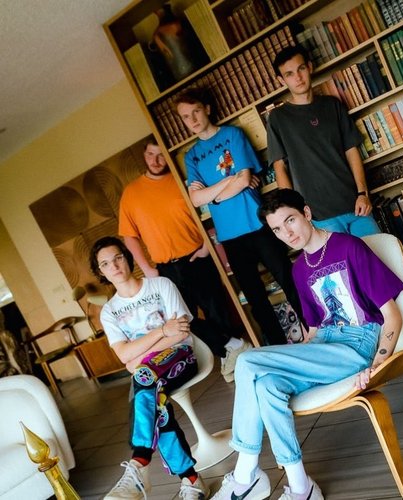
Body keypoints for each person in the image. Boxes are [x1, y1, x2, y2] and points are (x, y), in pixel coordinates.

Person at [211, 189, 403, 500]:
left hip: (356, 346)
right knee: (267, 386)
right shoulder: (299, 269)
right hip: (323, 347)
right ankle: (302, 488)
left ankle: (245, 474)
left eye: (290, 220)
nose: (286, 233)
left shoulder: (349, 247)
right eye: (277, 229)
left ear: (307, 213)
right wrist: (296, 358)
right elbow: (313, 331)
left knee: (247, 361)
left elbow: (392, 315)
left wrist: (376, 364)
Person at [176, 88, 303, 346]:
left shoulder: (232, 135)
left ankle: (315, 331)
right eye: (186, 117)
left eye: (196, 111)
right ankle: (279, 349)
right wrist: (229, 181)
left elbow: (245, 179)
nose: (193, 120)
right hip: (229, 237)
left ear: (207, 109)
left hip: (257, 224)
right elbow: (196, 199)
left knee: (289, 281)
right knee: (256, 299)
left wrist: (214, 194)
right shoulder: (192, 156)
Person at [119, 138, 251, 382]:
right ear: (144, 155)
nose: (156, 160)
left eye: (160, 154)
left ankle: (231, 359)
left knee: (217, 310)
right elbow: (129, 237)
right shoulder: (131, 193)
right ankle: (233, 346)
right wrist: (147, 269)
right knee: (182, 321)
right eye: (150, 154)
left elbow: (209, 208)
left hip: (197, 257)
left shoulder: (184, 182)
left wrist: (206, 246)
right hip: (164, 269)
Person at [89, 236, 209, 500]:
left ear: (127, 257)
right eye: (105, 264)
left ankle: (140, 463)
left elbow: (181, 333)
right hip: (150, 375)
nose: (114, 266)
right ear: (100, 271)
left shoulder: (160, 285)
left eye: (118, 258)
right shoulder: (109, 311)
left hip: (181, 357)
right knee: (157, 403)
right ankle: (191, 480)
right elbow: (123, 354)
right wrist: (162, 330)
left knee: (142, 376)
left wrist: (137, 354)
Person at [266, 45, 380, 237]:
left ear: (310, 67)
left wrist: (362, 193)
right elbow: (280, 168)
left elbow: (351, 150)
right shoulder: (278, 118)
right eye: (289, 74)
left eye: (301, 68)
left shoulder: (332, 105)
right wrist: (295, 213)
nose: (298, 77)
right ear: (281, 80)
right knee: (340, 259)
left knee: (379, 253)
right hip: (318, 216)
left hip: (355, 205)